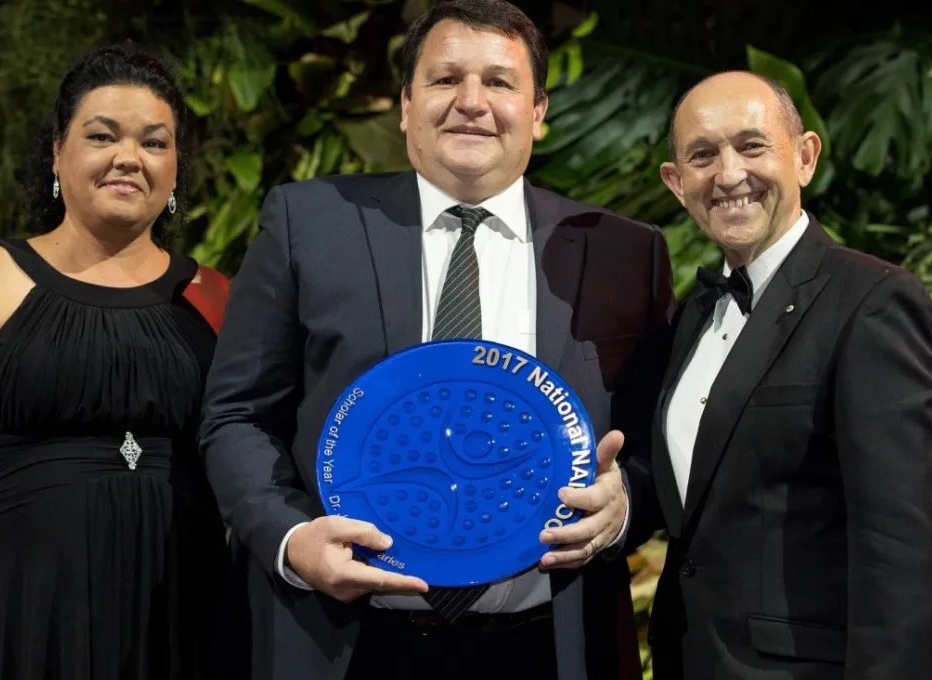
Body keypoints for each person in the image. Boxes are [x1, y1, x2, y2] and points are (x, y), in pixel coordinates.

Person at [198, 1, 674, 679]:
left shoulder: (625, 253)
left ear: (538, 111)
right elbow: (236, 415)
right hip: (346, 641)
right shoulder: (308, 224)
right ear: (405, 105)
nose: (471, 102)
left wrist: (623, 506)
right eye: (445, 79)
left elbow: (660, 444)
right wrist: (292, 538)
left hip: (548, 645)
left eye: (499, 83)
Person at [0, 42, 233, 680]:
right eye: (102, 136)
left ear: (177, 166)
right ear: (57, 152)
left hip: (187, 627)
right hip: (28, 625)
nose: (129, 157)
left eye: (155, 143)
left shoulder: (215, 297)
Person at [645, 70, 932, 678]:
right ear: (677, 183)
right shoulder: (694, 317)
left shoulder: (873, 302)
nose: (729, 174)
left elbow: (906, 558)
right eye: (703, 155)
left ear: (805, 157)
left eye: (752, 145)